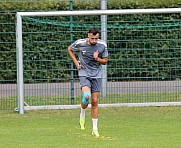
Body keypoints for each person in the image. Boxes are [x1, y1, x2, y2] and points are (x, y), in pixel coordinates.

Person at [68, 28, 108, 137]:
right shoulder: (80, 43)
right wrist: (76, 62)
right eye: (92, 38)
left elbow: (105, 61)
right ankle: (82, 112)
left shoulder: (102, 45)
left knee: (94, 101)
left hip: (97, 75)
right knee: (86, 96)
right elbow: (70, 49)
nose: (94, 40)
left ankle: (95, 129)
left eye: (96, 38)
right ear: (88, 36)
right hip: (84, 72)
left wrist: (98, 59)